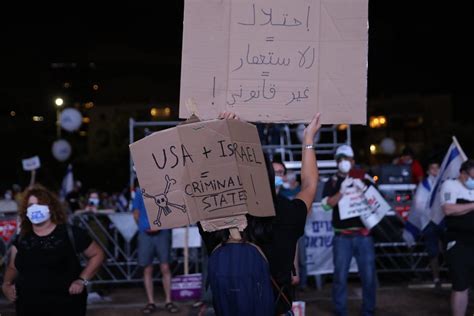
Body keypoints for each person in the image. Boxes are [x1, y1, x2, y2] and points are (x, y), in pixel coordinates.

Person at [200, 111, 320, 315]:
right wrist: (308, 139)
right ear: (268, 175)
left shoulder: (214, 219)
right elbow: (309, 185)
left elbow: (204, 181)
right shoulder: (285, 213)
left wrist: (221, 135)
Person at [1, 184, 104, 316]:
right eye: (31, 205)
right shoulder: (22, 238)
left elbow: (97, 254)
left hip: (66, 305)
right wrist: (6, 284)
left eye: (40, 204)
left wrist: (82, 280)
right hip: (28, 305)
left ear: (51, 208)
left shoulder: (70, 233)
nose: (35, 208)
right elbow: (12, 266)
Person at [322, 145, 376, 316]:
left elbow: (376, 202)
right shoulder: (332, 181)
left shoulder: (365, 177)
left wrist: (364, 188)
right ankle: (340, 311)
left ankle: (368, 311)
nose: (343, 162)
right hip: (342, 237)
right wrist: (341, 191)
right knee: (339, 277)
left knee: (368, 277)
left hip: (364, 236)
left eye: (346, 159)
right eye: (340, 159)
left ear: (353, 160)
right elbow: (326, 205)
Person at [132, 184, 179, 314]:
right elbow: (136, 212)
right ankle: (151, 302)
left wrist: (160, 225)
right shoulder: (139, 191)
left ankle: (168, 301)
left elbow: (169, 209)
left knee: (165, 267)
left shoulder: (163, 189)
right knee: (147, 268)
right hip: (145, 234)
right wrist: (143, 226)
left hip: (162, 232)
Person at [440, 160, 474, 316]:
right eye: (472, 177)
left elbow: (457, 210)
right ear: (463, 173)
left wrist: (463, 209)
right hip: (458, 241)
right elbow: (448, 209)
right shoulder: (450, 185)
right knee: (460, 284)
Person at [416, 162, 444, 287]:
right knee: (433, 252)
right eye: (432, 168)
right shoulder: (424, 186)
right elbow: (419, 205)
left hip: (443, 220)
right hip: (429, 222)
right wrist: (431, 215)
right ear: (428, 171)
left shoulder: (445, 183)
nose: (435, 170)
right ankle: (436, 278)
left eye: (437, 167)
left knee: (448, 249)